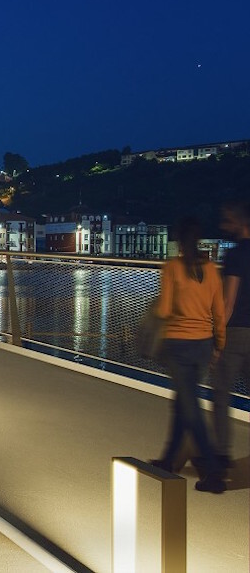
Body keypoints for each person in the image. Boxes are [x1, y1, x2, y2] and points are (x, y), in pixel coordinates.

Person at [150, 216, 226, 493]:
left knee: (190, 407)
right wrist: (219, 343)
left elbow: (165, 310)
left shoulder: (173, 268)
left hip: (179, 345)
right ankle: (168, 460)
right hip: (203, 344)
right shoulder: (211, 269)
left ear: (180, 241)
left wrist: (156, 310)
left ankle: (213, 471)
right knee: (183, 402)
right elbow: (218, 310)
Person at [212, 201, 250, 470]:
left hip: (236, 332)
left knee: (222, 393)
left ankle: (222, 454)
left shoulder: (235, 255)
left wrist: (218, 338)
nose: (224, 226)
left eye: (228, 220)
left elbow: (229, 302)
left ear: (240, 222)